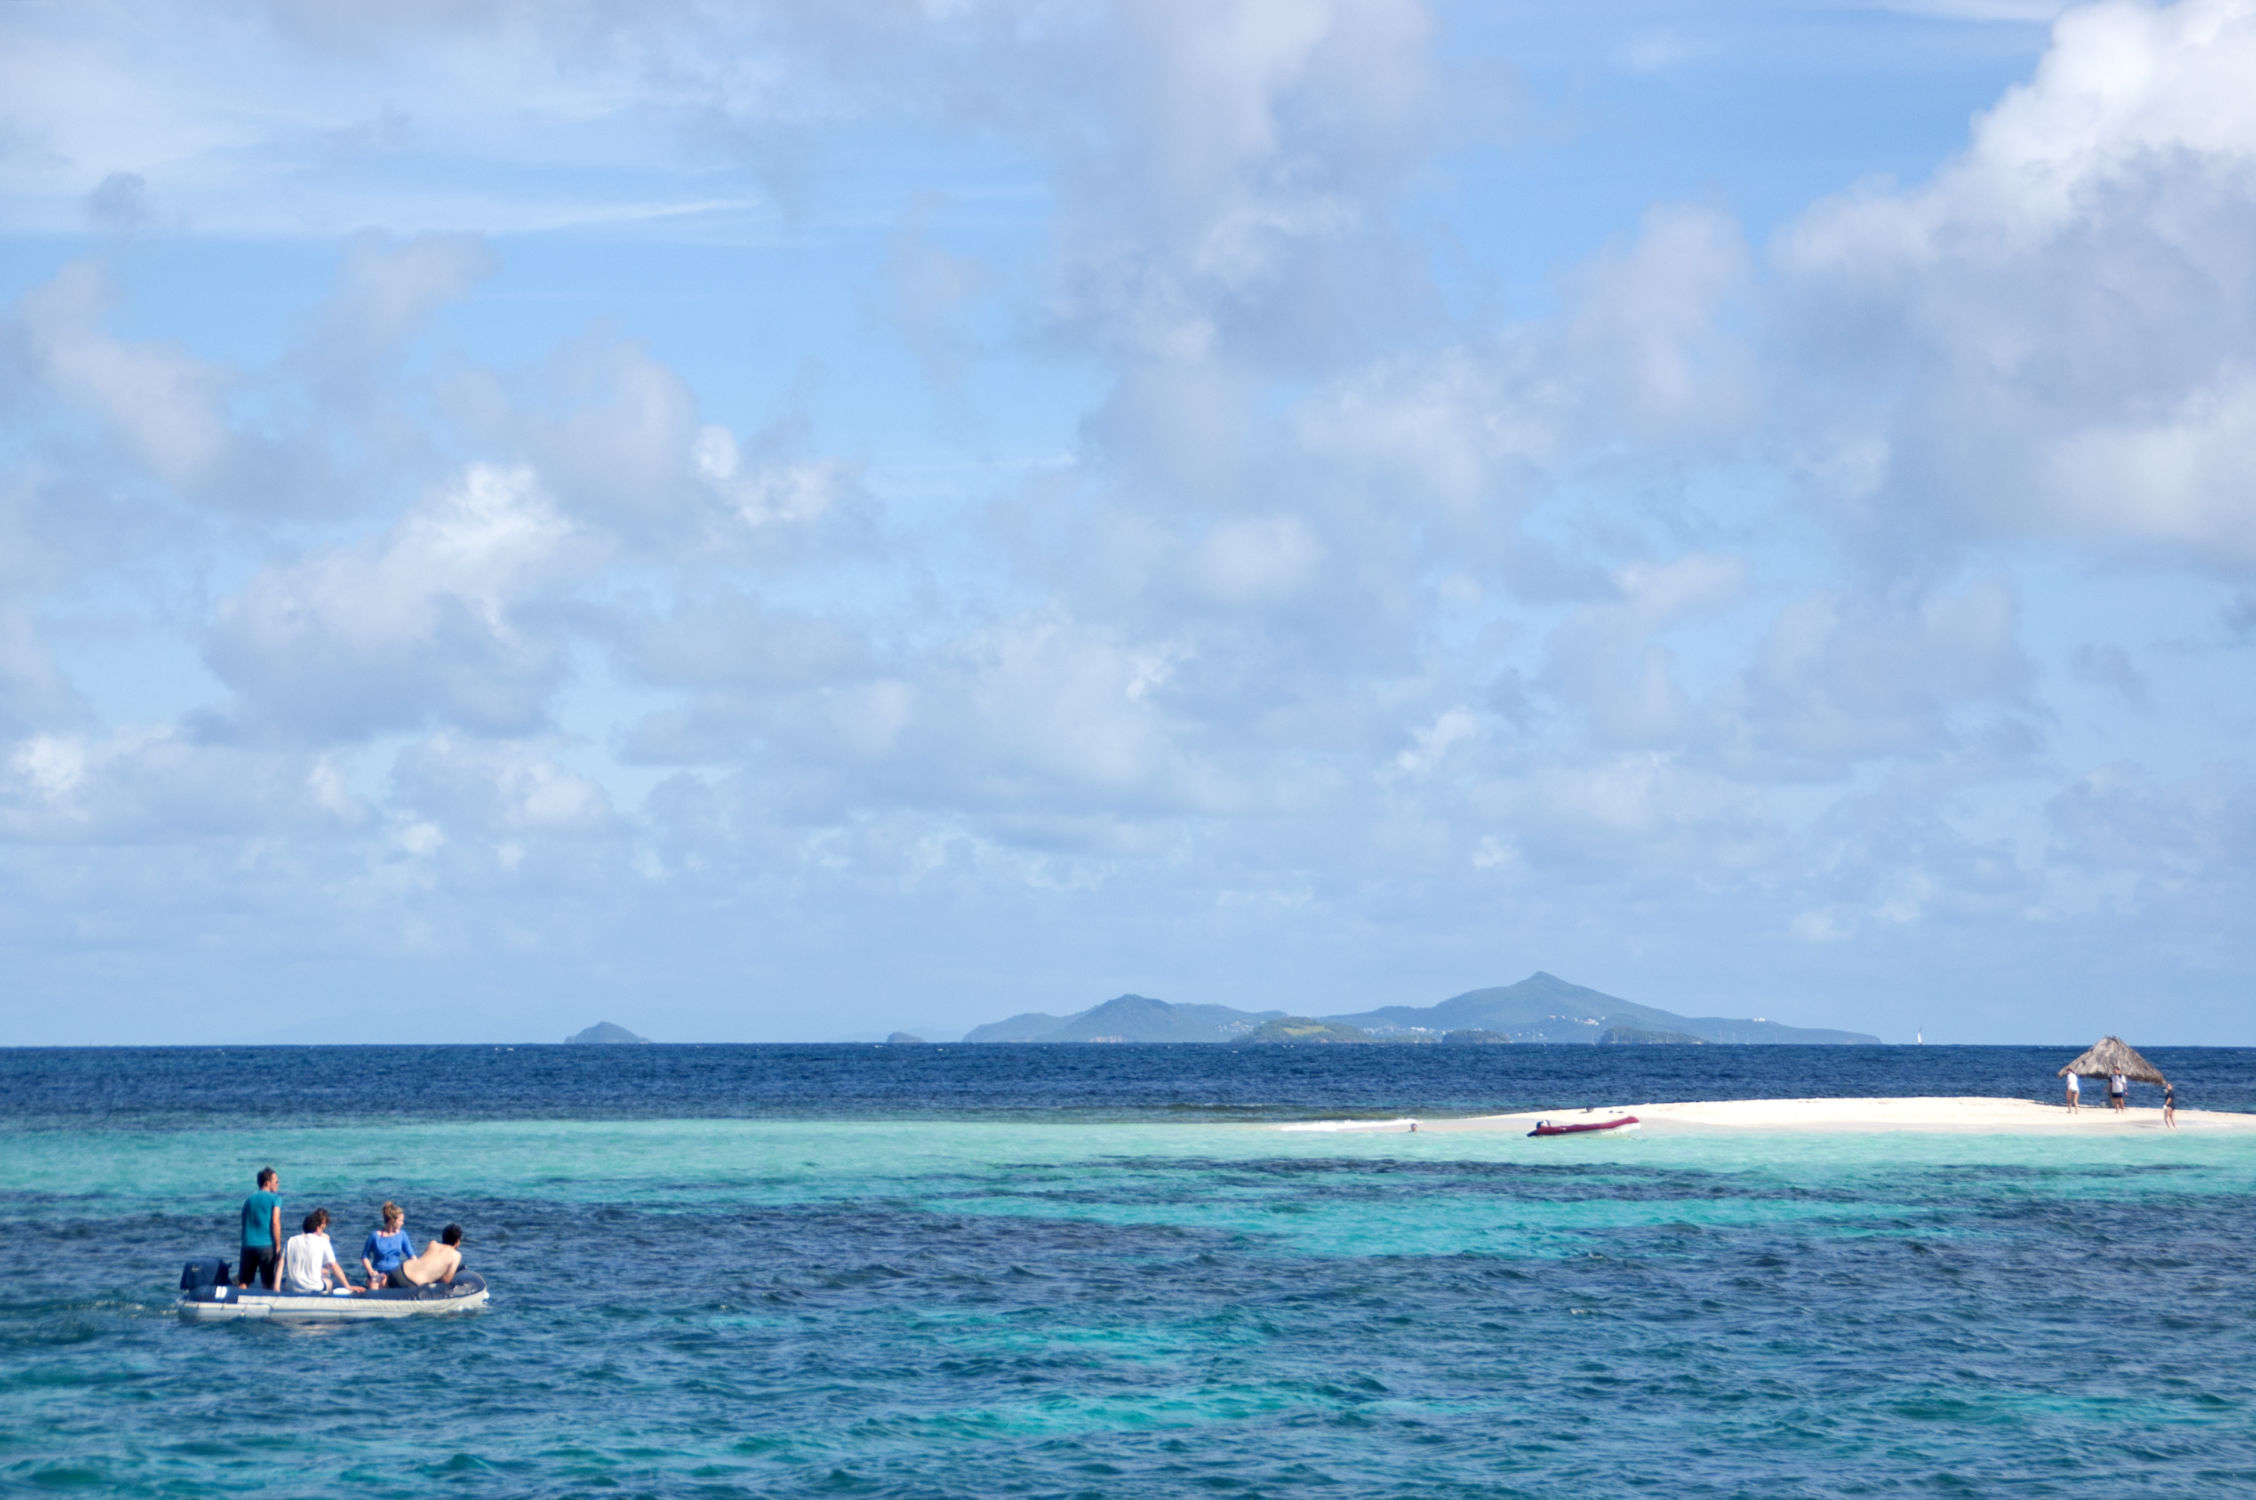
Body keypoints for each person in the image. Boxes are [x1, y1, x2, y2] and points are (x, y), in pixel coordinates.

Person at [280, 1208, 359, 1295]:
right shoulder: (323, 1240)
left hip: (292, 1286)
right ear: (318, 1227)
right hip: (313, 1285)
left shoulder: (291, 1240)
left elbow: (281, 1263)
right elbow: (333, 1265)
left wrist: (276, 1288)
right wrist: (348, 1286)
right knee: (329, 1282)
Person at [238, 1167, 284, 1290]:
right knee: (267, 1283)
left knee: (244, 1282)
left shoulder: (249, 1200)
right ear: (267, 1183)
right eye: (276, 1181)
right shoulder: (275, 1199)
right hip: (266, 1245)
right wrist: (278, 1247)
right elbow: (275, 1222)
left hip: (247, 1244)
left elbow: (244, 1222)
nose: (278, 1184)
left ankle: (238, 1300)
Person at [391, 1223, 466, 1289]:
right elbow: (446, 1280)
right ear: (457, 1241)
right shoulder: (456, 1255)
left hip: (399, 1270)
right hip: (409, 1281)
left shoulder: (433, 1244)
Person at [361, 1202, 414, 1289]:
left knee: (385, 1283)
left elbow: (412, 1257)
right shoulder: (374, 1235)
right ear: (392, 1220)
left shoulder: (402, 1235)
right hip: (377, 1272)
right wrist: (371, 1272)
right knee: (374, 1287)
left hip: (394, 1274)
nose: (402, 1223)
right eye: (400, 1220)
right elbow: (364, 1257)